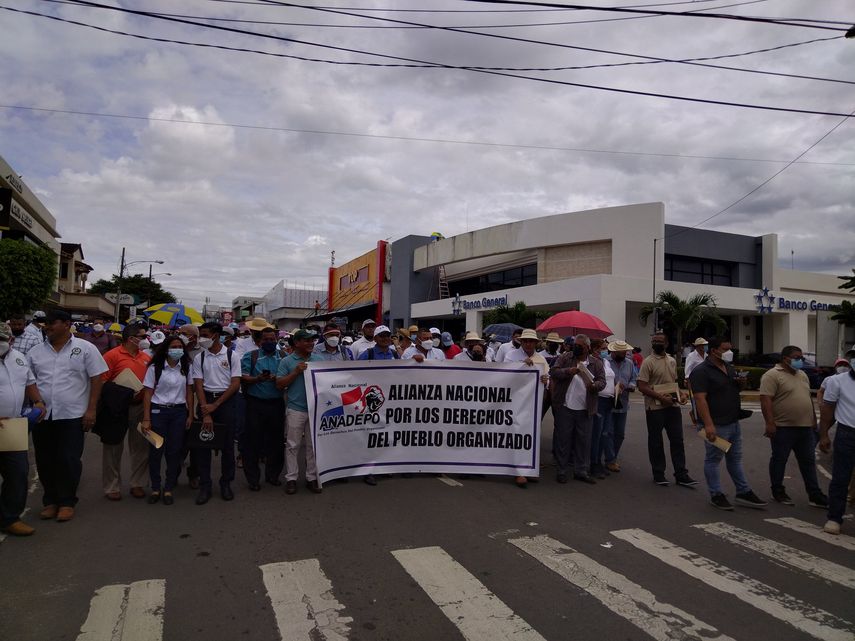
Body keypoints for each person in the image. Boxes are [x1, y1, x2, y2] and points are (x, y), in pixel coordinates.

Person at [28, 310, 108, 522]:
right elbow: (29, 381)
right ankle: (50, 501)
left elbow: (97, 379)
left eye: (51, 323)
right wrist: (35, 403)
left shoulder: (85, 349)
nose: (47, 327)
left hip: (72, 414)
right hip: (42, 415)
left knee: (68, 459)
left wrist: (91, 410)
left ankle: (66, 502)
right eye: (45, 324)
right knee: (45, 460)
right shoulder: (35, 352)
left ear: (66, 324)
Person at [690, 336, 767, 510]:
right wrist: (708, 425)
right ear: (714, 350)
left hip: (733, 422)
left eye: (730, 349)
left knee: (735, 458)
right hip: (716, 424)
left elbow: (734, 389)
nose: (729, 352)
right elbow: (700, 399)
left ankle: (743, 491)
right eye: (725, 349)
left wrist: (741, 383)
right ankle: (716, 494)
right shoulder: (701, 371)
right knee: (714, 459)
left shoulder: (729, 368)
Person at [759, 345, 828, 508]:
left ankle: (814, 494)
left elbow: (806, 397)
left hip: (805, 428)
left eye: (802, 358)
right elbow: (765, 400)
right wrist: (770, 423)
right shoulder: (772, 375)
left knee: (808, 461)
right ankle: (778, 490)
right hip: (783, 427)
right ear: (785, 359)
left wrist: (812, 420)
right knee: (779, 459)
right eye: (797, 358)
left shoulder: (802, 375)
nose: (800, 361)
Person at [0, 322, 46, 536]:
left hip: (12, 428)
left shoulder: (18, 357)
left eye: (4, 341)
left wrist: (38, 402)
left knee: (18, 473)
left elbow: (29, 382)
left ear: (11, 340)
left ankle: (10, 518)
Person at [190, 322, 242, 505]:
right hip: (206, 401)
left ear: (216, 335)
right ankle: (205, 485)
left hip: (226, 403)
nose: (201, 339)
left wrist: (217, 404)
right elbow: (198, 384)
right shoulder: (199, 358)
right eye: (200, 335)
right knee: (203, 446)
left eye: (204, 334)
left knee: (228, 447)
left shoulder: (231, 355)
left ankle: (226, 483)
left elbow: (235, 383)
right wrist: (206, 410)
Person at [637, 332, 697, 487]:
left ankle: (681, 474)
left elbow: (673, 383)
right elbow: (642, 386)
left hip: (672, 407)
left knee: (677, 441)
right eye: (654, 341)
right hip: (654, 408)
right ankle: (658, 473)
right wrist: (660, 397)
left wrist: (681, 395)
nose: (656, 343)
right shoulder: (647, 362)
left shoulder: (671, 360)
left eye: (660, 341)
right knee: (656, 442)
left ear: (666, 343)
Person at [100, 323, 152, 500]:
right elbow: (102, 382)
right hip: (116, 408)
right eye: (143, 336)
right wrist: (122, 392)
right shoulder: (111, 356)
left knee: (141, 447)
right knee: (113, 447)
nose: (146, 340)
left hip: (139, 407)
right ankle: (112, 486)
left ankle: (138, 483)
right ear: (131, 338)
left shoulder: (146, 357)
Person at [141, 335, 194, 505]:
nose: (177, 349)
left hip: (178, 413)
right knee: (156, 451)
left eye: (180, 346)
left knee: (174, 452)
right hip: (157, 413)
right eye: (174, 346)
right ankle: (156, 487)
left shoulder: (186, 367)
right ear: (166, 348)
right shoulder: (155, 368)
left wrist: (190, 414)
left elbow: (189, 392)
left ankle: (169, 487)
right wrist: (146, 418)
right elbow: (148, 393)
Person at [549, 334, 606, 484]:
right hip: (565, 406)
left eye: (579, 345)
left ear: (587, 348)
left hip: (585, 409)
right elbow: (553, 372)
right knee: (563, 440)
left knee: (584, 441)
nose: (576, 347)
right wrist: (568, 371)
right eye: (575, 344)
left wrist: (595, 386)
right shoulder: (565, 358)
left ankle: (581, 470)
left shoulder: (596, 363)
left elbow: (602, 381)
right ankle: (561, 470)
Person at [276, 328, 323, 495]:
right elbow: (280, 384)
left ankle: (311, 477)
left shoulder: (319, 359)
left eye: (312, 340)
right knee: (292, 445)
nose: (311, 343)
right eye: (307, 340)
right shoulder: (287, 361)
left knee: (312, 446)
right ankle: (291, 478)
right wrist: (296, 372)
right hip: (296, 409)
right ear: (296, 343)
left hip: (315, 409)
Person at [241, 326, 285, 491]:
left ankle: (273, 475)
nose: (269, 342)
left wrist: (277, 379)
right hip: (255, 404)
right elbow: (243, 377)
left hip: (277, 404)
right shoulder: (250, 356)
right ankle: (253, 479)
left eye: (272, 339)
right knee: (252, 442)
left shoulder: (283, 356)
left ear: (276, 340)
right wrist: (257, 379)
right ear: (259, 341)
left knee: (276, 442)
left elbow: (287, 378)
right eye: (266, 340)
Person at [505, 329, 550, 488]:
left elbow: (547, 378)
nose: (528, 344)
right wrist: (522, 366)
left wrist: (545, 380)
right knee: (517, 433)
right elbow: (504, 375)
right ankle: (518, 471)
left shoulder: (541, 359)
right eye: (526, 341)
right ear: (521, 342)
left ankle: (529, 469)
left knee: (532, 435)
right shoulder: (512, 356)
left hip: (534, 403)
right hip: (515, 401)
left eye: (531, 341)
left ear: (536, 343)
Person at [818, 349, 855, 535]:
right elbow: (828, 409)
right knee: (840, 478)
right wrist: (823, 435)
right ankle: (834, 518)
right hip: (847, 434)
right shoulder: (836, 381)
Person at [604, 340, 637, 473]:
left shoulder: (629, 363)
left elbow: (634, 379)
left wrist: (629, 386)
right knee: (608, 432)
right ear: (613, 352)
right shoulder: (605, 362)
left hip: (623, 402)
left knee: (620, 433)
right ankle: (610, 459)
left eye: (625, 351)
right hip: (608, 401)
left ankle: (612, 456)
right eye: (621, 352)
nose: (624, 354)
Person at [590, 338, 616, 479]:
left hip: (609, 401)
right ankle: (593, 463)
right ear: (595, 349)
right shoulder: (591, 362)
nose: (606, 350)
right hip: (598, 400)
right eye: (603, 348)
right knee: (597, 434)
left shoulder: (606, 362)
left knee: (604, 433)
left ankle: (598, 462)